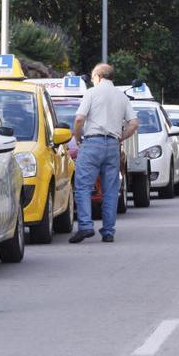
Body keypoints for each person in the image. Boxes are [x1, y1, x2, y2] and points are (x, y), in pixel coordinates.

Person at [69, 63, 140, 244]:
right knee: (110, 190)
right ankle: (108, 231)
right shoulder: (121, 97)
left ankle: (85, 226)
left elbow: (79, 119)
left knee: (83, 186)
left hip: (92, 142)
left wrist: (78, 138)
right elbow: (134, 123)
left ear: (99, 77)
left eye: (93, 77)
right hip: (113, 146)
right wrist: (120, 138)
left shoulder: (92, 93)